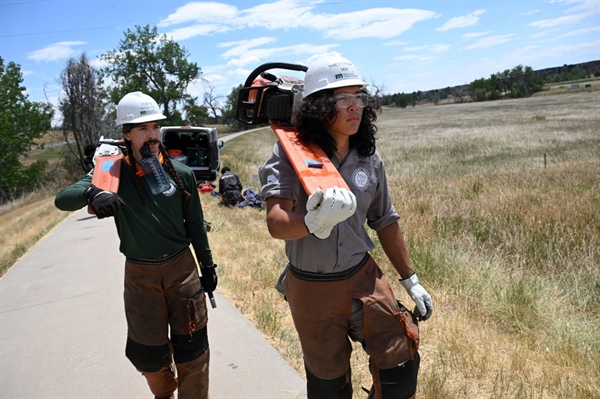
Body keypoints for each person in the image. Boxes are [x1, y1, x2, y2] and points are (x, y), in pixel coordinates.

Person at [258, 54, 433, 399]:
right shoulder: (289, 156)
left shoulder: (369, 158)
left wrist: (410, 281)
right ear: (320, 106)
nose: (355, 107)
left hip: (362, 275)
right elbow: (277, 223)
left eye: (360, 98)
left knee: (401, 361)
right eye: (344, 99)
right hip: (312, 286)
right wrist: (312, 222)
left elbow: (385, 220)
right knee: (329, 386)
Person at [55, 91, 217, 399]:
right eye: (143, 128)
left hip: (182, 270)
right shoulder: (112, 173)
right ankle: (165, 392)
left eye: (155, 126)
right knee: (147, 355)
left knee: (193, 350)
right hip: (140, 276)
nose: (152, 134)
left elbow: (195, 224)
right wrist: (93, 193)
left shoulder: (180, 174)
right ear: (127, 134)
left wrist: (207, 266)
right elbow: (61, 200)